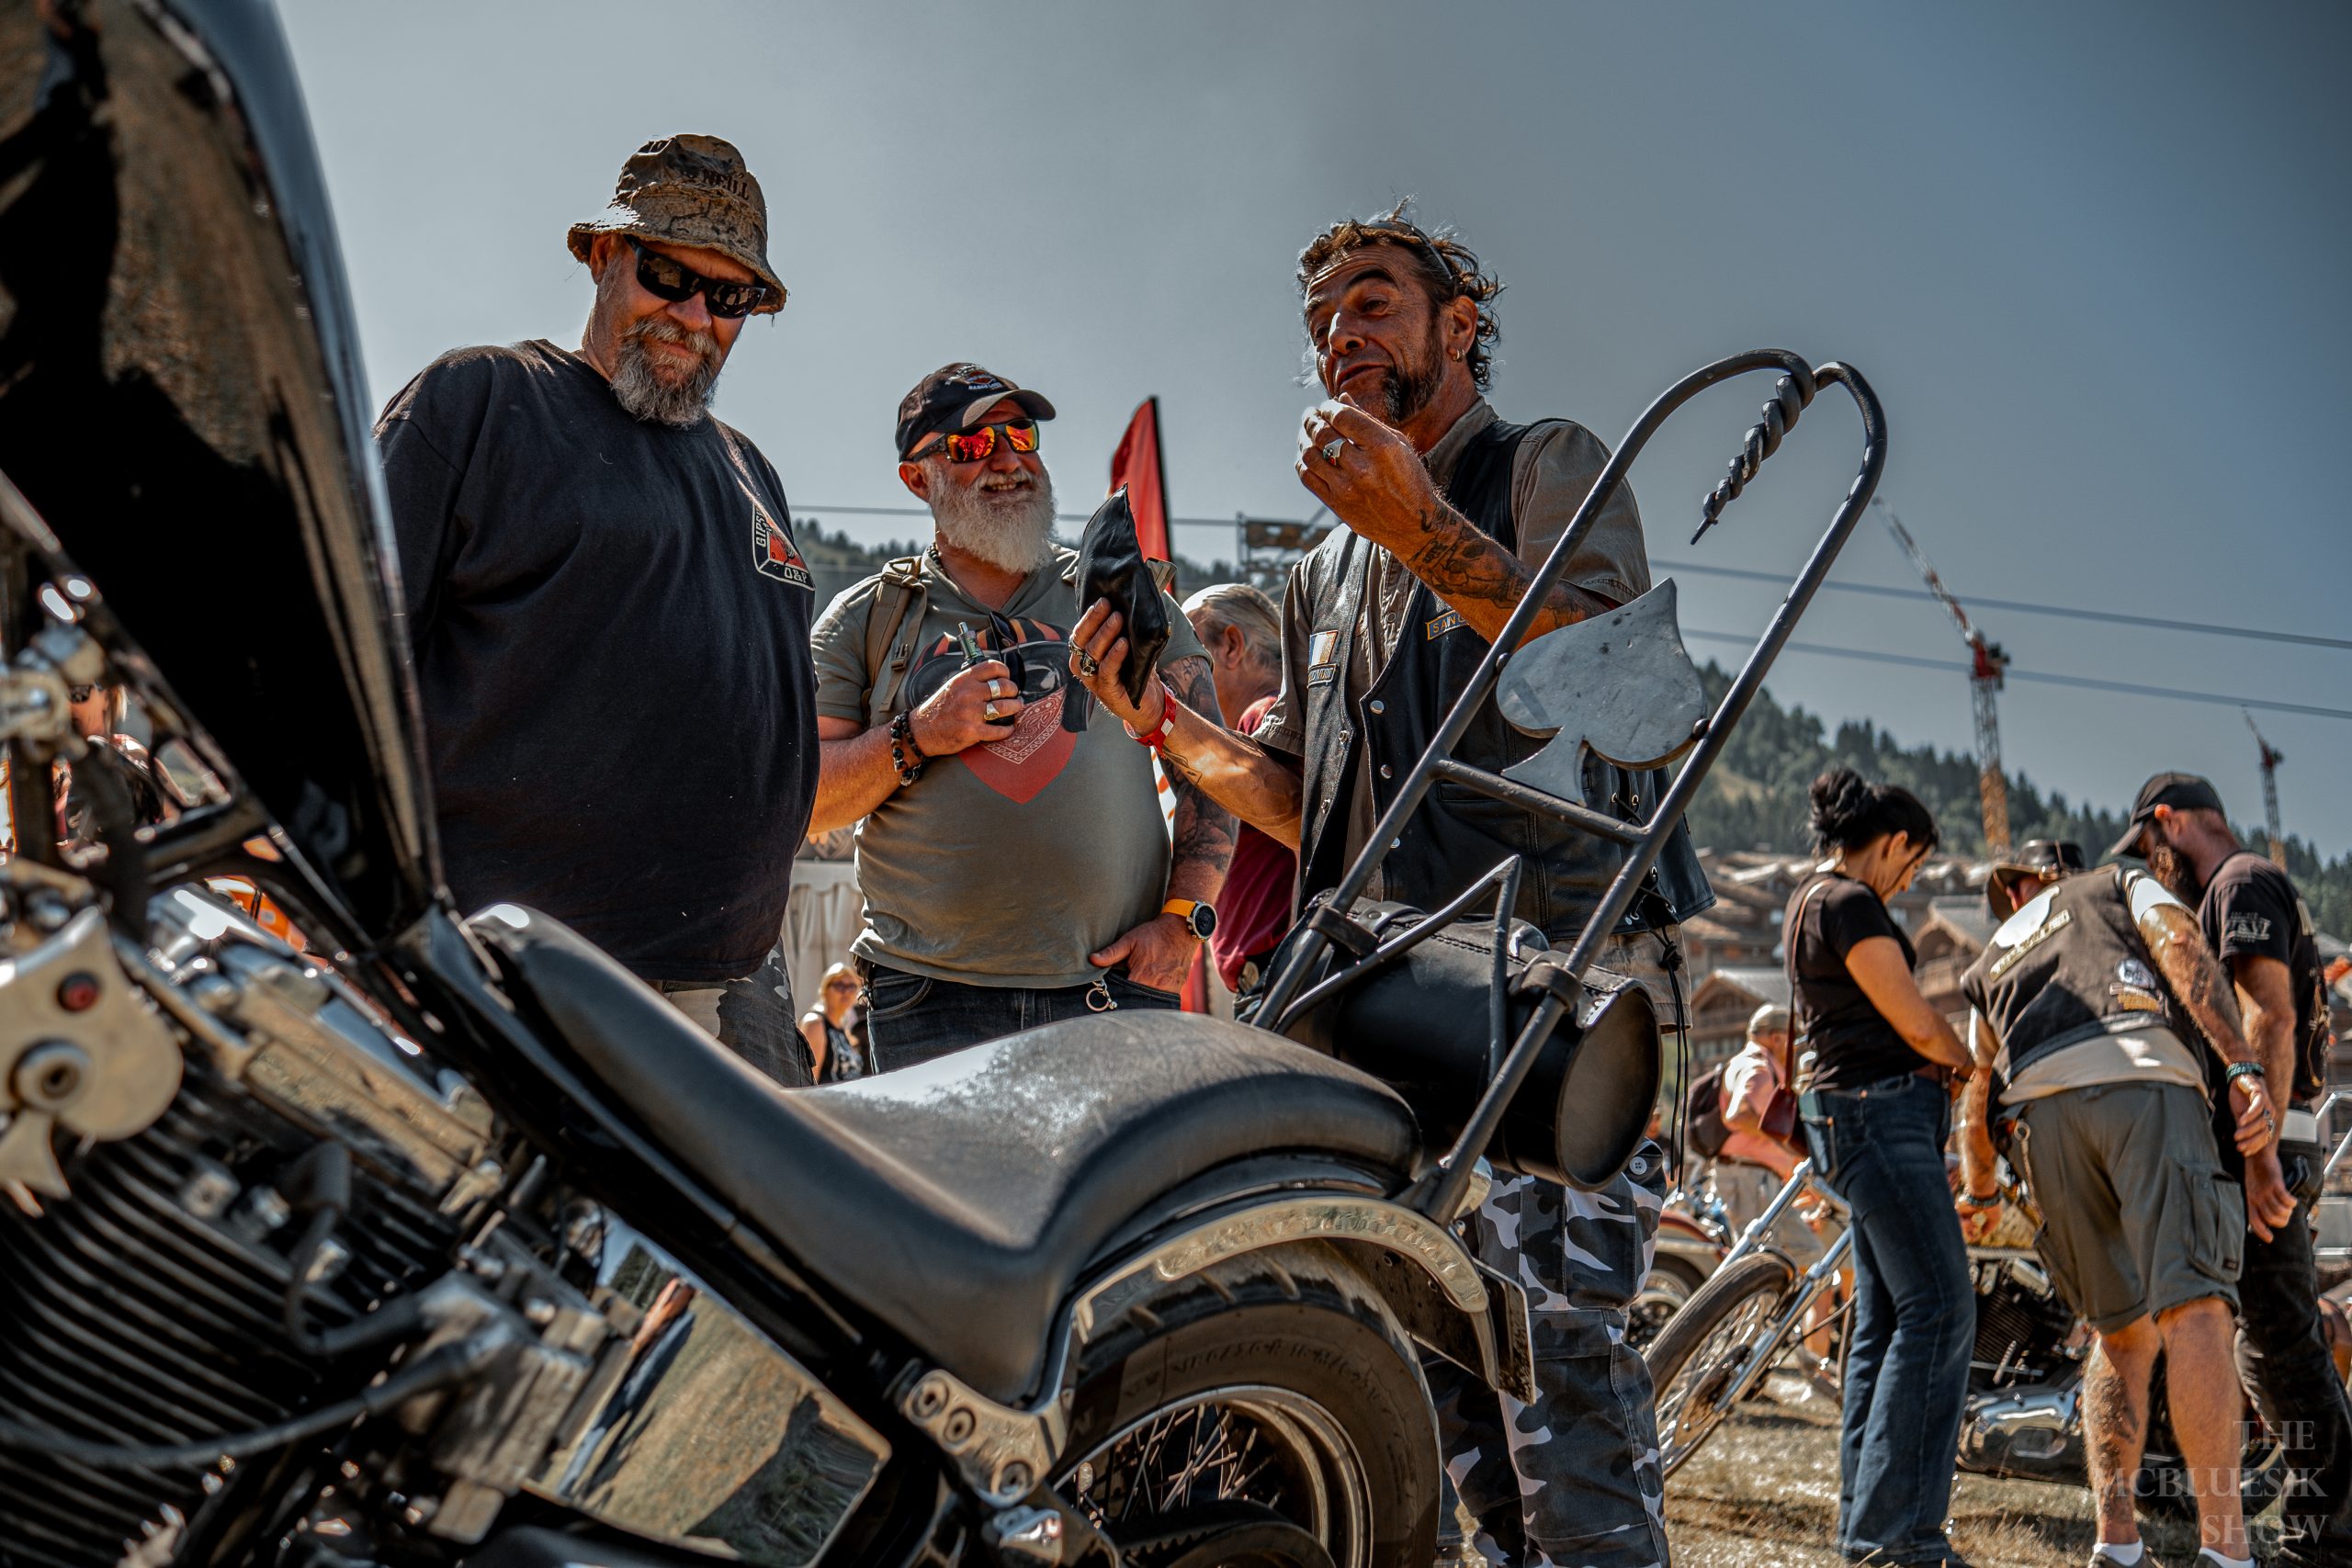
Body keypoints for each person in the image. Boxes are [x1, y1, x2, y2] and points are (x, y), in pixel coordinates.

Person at [1068, 205, 1713, 1568]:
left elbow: (1627, 694)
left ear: (1459, 325)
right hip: (1401, 988)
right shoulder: (1323, 568)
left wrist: (1425, 529)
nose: (1337, 340)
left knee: (1564, 1361)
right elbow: (1300, 803)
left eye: (1370, 306)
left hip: (1557, 980)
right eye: (1319, 326)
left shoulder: (1546, 463)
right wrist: (1167, 726)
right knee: (1440, 1369)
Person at [375, 134, 812, 1085]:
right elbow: (344, 664)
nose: (694, 315)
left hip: (724, 992)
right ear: (603, 255)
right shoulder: (483, 400)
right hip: (504, 982)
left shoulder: (753, 472)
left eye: (728, 296)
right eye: (667, 273)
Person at [805, 365, 1232, 1070]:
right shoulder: (864, 621)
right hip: (927, 1002)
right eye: (973, 445)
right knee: (942, 1190)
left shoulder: (1121, 596)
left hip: (1113, 987)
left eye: (1021, 435)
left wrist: (1187, 921)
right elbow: (810, 801)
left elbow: (1212, 766)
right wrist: (921, 734)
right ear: (918, 479)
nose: (1009, 460)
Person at [1956, 838, 2294, 1568]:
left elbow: (1978, 1084)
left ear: (2023, 889)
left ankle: (2116, 1543)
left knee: (2119, 1332)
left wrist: (1979, 1183)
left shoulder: (1998, 947)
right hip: (2141, 1069)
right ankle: (2226, 1550)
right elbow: (2179, 942)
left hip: (2038, 1112)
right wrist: (2239, 1062)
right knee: (2196, 1307)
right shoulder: (2117, 881)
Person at [2118, 773, 2352, 1566]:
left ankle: (2329, 1532)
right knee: (2232, 1328)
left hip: (2265, 1140)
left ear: (2170, 821)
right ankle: (2173, 1487)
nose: (2154, 869)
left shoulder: (2239, 880)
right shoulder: (2238, 887)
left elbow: (2269, 1013)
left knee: (2278, 1340)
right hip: (2270, 1136)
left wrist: (2257, 1158)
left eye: (2153, 850)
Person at [1783, 768, 1974, 1568]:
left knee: (1887, 1322)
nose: (1911, 880)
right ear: (1894, 840)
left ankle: (1868, 1527)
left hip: (1854, 1117)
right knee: (1940, 1309)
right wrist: (1975, 1069)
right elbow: (1916, 1019)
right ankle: (1901, 1535)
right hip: (1881, 1114)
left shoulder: (1806, 902)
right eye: (1916, 863)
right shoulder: (1849, 903)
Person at [1181, 582, 1294, 995]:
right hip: (1277, 972)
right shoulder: (1272, 718)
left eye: (1185, 655)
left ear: (1231, 645)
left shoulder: (1262, 717)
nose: (1173, 675)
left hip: (1280, 973)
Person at [799, 963, 870, 1083]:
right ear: (824, 990)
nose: (846, 992)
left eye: (852, 986)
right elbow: (808, 1080)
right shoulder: (815, 1024)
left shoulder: (843, 1028)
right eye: (839, 985)